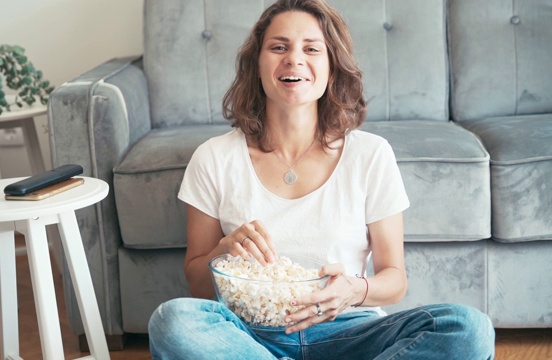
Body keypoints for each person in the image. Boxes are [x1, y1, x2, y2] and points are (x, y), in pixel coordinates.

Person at [147, 0, 495, 359]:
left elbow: (395, 279)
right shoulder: (215, 157)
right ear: (257, 65)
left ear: (332, 68)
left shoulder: (370, 155)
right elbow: (197, 284)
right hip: (250, 338)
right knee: (172, 320)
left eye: (312, 49)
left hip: (351, 331)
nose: (294, 59)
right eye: (278, 47)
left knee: (467, 329)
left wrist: (354, 290)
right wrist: (223, 252)